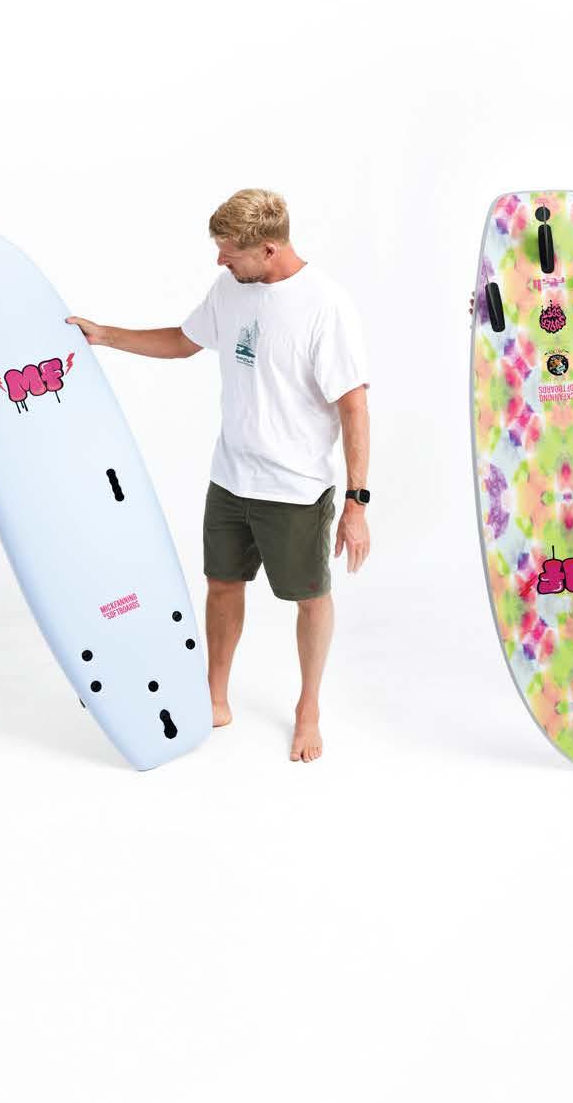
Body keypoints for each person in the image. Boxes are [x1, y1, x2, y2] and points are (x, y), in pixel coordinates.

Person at [66, 189, 370, 763]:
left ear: (270, 249)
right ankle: (215, 696)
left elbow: (354, 406)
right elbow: (184, 342)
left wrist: (356, 503)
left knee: (309, 597)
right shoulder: (231, 287)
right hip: (231, 478)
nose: (219, 260)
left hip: (295, 489)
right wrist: (105, 336)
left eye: (230, 252)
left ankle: (308, 708)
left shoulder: (325, 305)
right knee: (222, 585)